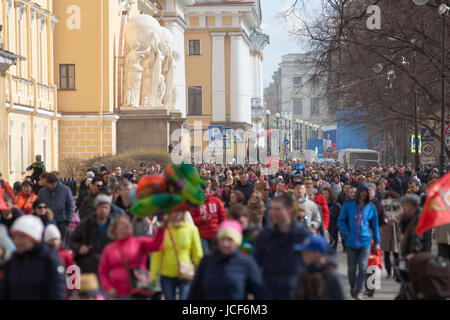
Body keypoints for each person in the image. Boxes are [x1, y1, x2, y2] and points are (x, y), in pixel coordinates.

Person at [188, 220, 268, 300]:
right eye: (222, 239)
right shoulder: (207, 261)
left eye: (230, 239)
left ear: (237, 242)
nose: (225, 243)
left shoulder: (247, 263)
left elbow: (260, 293)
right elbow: (194, 292)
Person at [253, 195, 312, 300]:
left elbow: (316, 261)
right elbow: (255, 263)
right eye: (271, 209)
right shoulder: (265, 235)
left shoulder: (302, 234)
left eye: (278, 209)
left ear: (289, 211)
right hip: (269, 290)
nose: (273, 213)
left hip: (295, 291)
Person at [98, 214, 166, 299]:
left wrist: (161, 229)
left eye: (128, 222)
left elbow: (157, 245)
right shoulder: (109, 249)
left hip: (139, 291)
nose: (127, 224)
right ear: (115, 230)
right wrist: (109, 288)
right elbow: (103, 272)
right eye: (122, 223)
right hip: (118, 294)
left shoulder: (139, 242)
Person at [0, 215, 66, 299]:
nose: (17, 241)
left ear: (34, 238)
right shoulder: (12, 261)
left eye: (22, 237)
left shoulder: (50, 260)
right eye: (15, 237)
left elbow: (58, 292)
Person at [337, 182, 381, 300]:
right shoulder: (348, 205)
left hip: (365, 242)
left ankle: (359, 290)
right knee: (352, 269)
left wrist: (377, 242)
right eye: (362, 192)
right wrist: (346, 232)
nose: (364, 194)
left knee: (363, 267)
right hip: (351, 242)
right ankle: (353, 286)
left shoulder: (371, 207)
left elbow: (375, 225)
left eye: (366, 192)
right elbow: (341, 220)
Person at [150, 211, 203, 300]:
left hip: (185, 273)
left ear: (183, 214)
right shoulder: (163, 231)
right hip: (167, 275)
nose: (175, 214)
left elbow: (198, 254)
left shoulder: (191, 230)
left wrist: (201, 274)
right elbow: (157, 256)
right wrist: (153, 276)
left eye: (178, 212)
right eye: (172, 212)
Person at [69, 194, 115, 274]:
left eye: (106, 207)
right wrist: (79, 248)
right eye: (101, 207)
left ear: (110, 209)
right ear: (95, 208)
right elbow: (71, 242)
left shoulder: (114, 226)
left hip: (109, 265)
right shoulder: (86, 224)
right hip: (88, 266)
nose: (103, 210)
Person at [294, 235, 347, 300]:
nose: (302, 255)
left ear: (317, 254)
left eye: (306, 253)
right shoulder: (303, 274)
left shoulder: (332, 277)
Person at [190, 181, 227, 255]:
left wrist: (222, 231)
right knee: (205, 256)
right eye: (202, 192)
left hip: (216, 234)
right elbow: (191, 221)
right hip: (202, 236)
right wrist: (201, 219)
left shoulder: (216, 201)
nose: (205, 194)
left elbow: (223, 217)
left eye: (206, 192)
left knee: (217, 256)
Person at [392, 194, 431, 261]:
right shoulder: (410, 216)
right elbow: (404, 231)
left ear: (412, 205)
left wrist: (414, 252)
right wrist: (403, 220)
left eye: (406, 205)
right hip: (410, 252)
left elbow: (417, 236)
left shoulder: (419, 217)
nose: (404, 207)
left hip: (419, 254)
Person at [37, 172, 74, 238]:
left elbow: (70, 206)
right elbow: (38, 205)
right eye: (49, 184)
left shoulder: (65, 190)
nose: (51, 186)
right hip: (47, 221)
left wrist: (68, 220)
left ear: (57, 182)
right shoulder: (42, 192)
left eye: (53, 184)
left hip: (62, 222)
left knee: (62, 244)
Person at [322, 187, 341, 252]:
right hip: (323, 230)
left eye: (326, 194)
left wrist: (336, 228)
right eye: (323, 194)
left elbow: (339, 218)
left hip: (333, 230)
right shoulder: (320, 205)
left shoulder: (336, 205)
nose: (325, 195)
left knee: (331, 251)